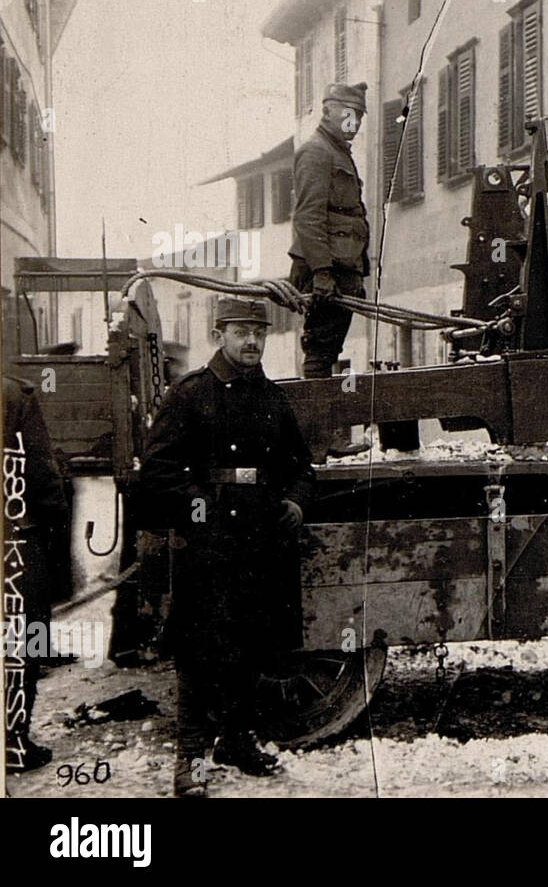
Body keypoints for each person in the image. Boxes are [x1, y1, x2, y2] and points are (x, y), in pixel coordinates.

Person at [139, 298, 315, 796]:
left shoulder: (272, 399)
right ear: (219, 335)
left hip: (261, 543)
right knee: (200, 655)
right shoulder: (190, 394)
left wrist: (296, 504)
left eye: (259, 332)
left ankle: (236, 741)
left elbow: (302, 468)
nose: (252, 342)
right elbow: (158, 473)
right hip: (209, 550)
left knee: (254, 646)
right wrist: (200, 512)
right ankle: (189, 761)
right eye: (241, 332)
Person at [288, 80, 372, 459]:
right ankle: (319, 443)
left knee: (329, 352)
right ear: (328, 112)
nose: (354, 123)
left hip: (342, 269)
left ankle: (322, 441)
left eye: (359, 117)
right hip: (328, 271)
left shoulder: (337, 152)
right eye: (349, 115)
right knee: (320, 356)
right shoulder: (316, 153)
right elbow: (308, 218)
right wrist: (321, 272)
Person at [3, 376, 69, 773]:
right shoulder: (15, 395)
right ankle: (12, 741)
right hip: (15, 539)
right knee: (26, 641)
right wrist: (54, 526)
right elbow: (41, 473)